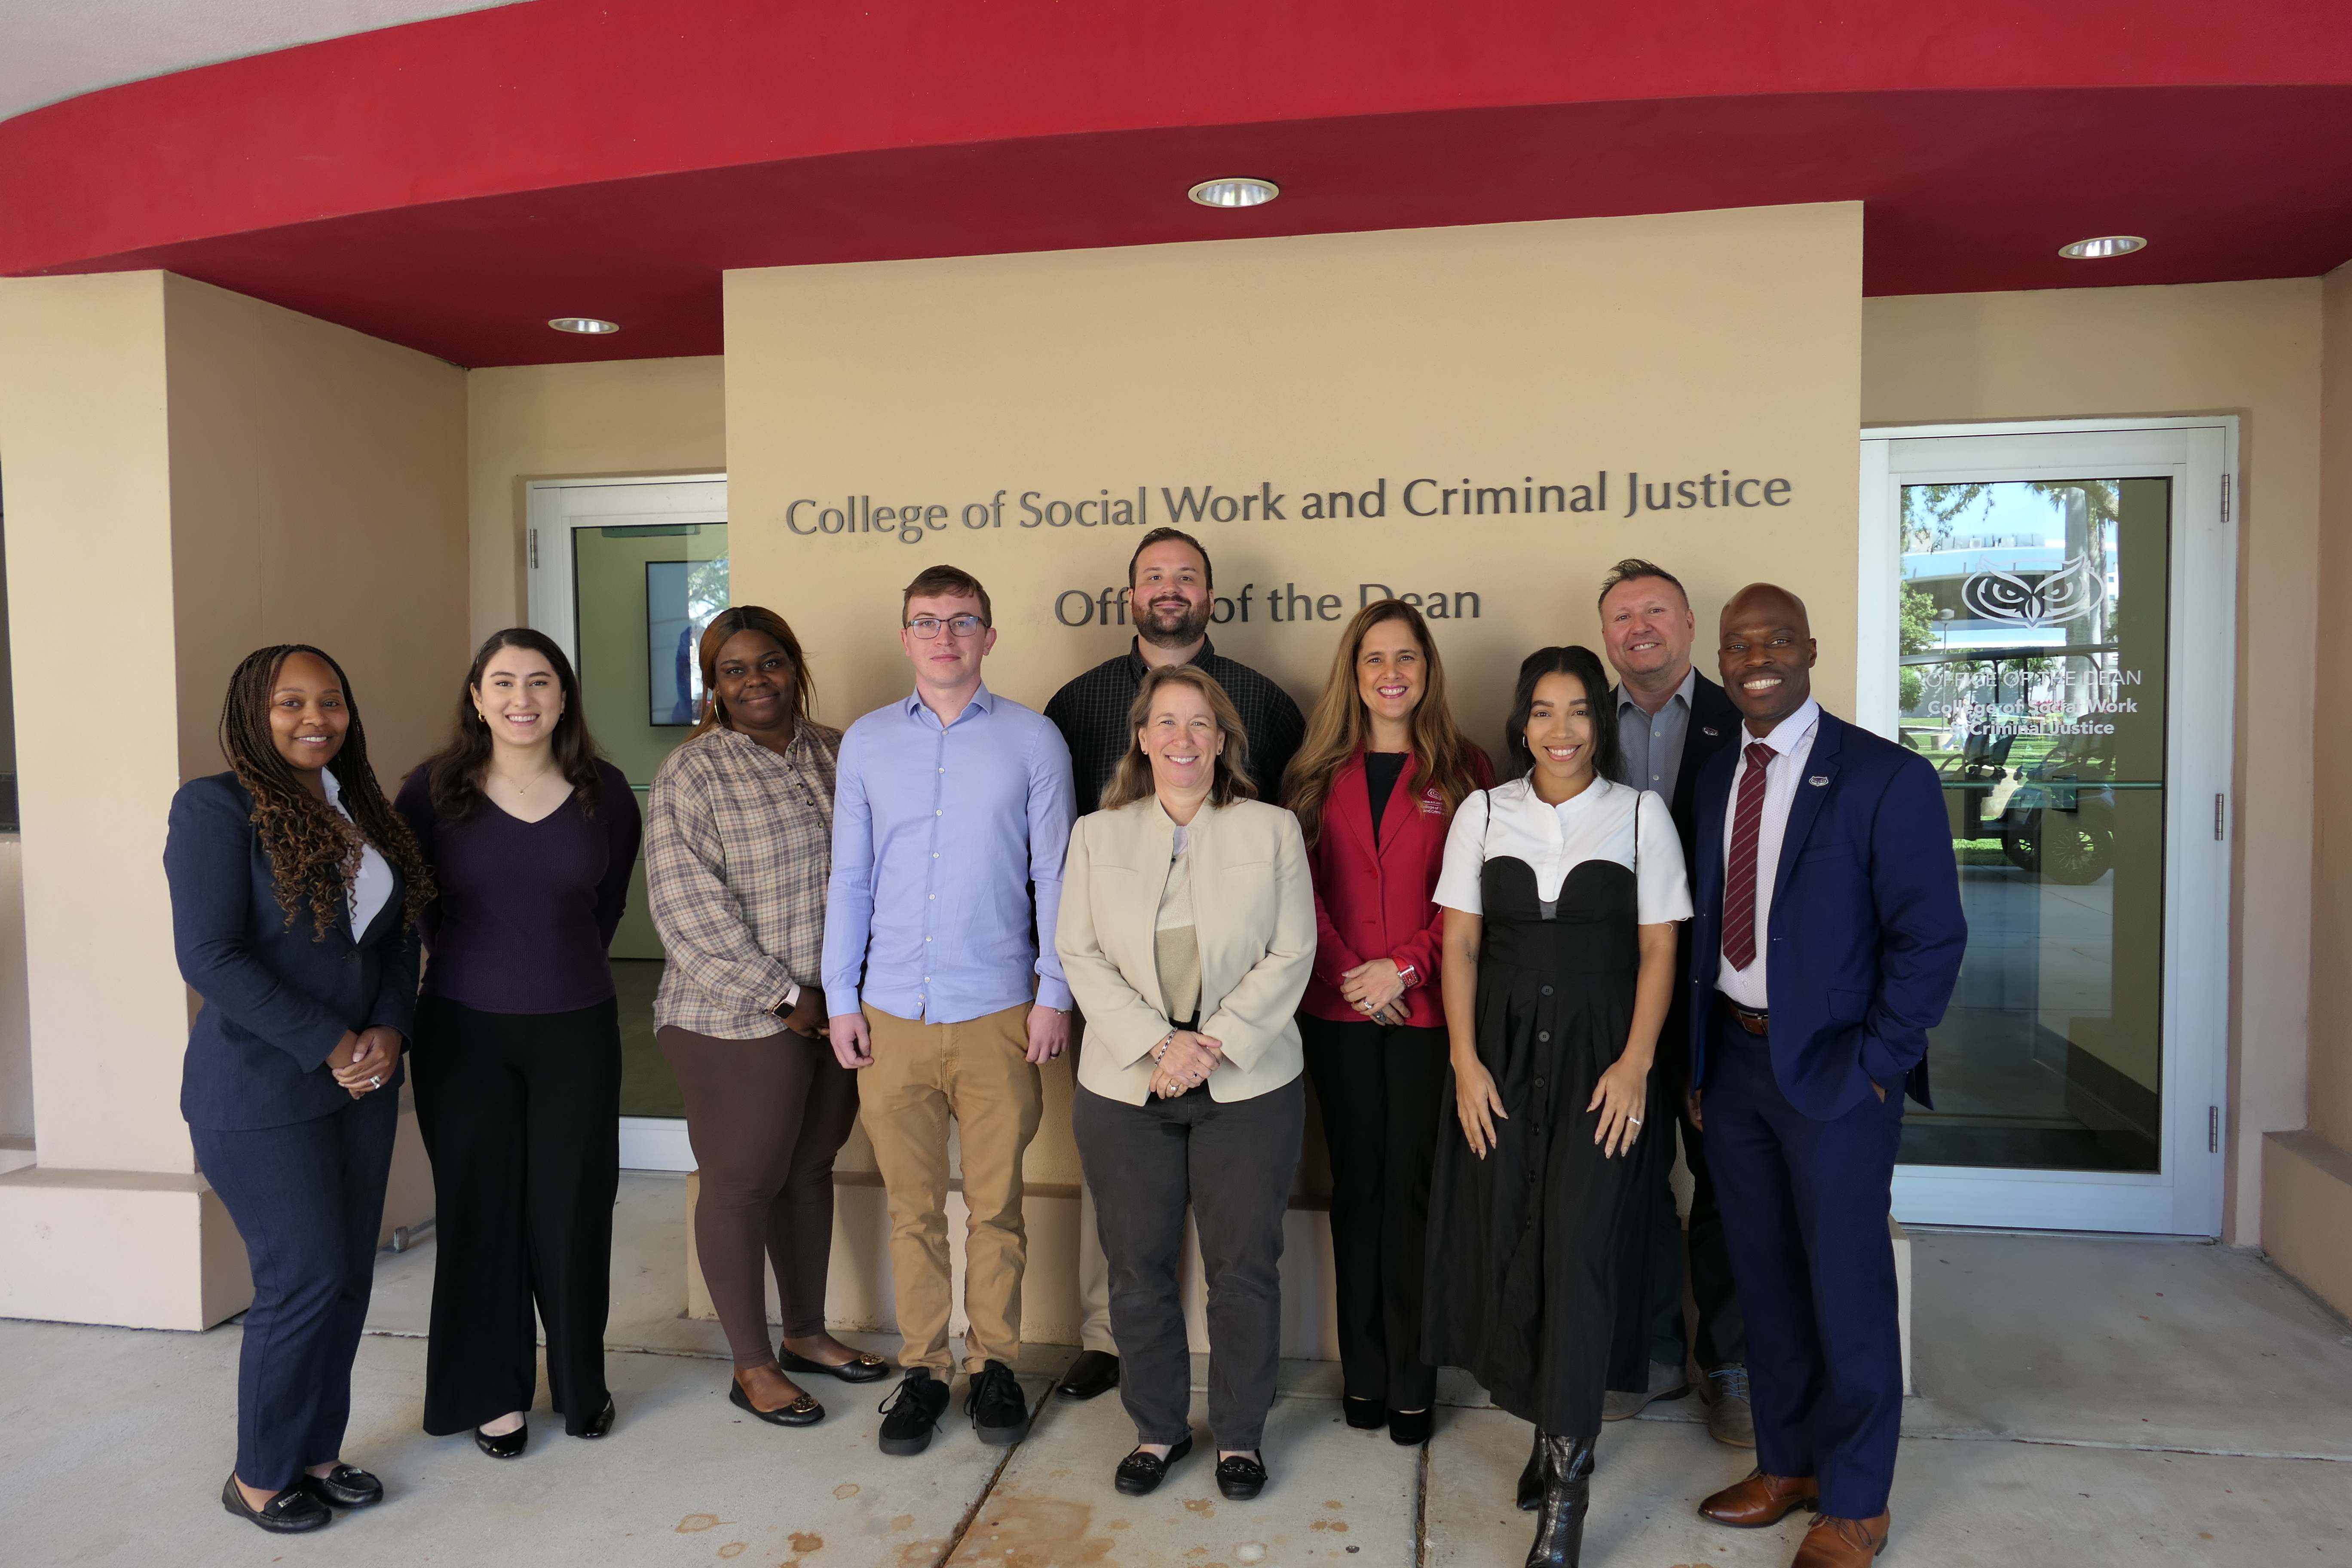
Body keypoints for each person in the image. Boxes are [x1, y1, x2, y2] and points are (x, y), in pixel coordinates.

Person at [1687, 586, 1965, 1568]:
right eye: (1738, 645)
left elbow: (1931, 941)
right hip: (1735, 1065)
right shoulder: (1719, 774)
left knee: (1845, 1288)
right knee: (1763, 1282)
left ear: (1809, 648)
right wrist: (1698, 1065)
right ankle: (1790, 1463)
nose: (1756, 657)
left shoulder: (1885, 777)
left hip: (1838, 1077)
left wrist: (1877, 1069)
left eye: (1775, 640)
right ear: (1721, 663)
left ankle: (1857, 1503)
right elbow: (1699, 938)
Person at [1422, 646, 1690, 1568]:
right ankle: (1547, 1432)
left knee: (1579, 1251)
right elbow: (1459, 946)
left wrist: (1636, 1065)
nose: (1562, 730)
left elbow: (1660, 951)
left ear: (1600, 723)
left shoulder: (1641, 815)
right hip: (1497, 1059)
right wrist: (1462, 1062)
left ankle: (1568, 1485)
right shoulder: (1483, 811)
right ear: (1521, 722)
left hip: (1600, 1066)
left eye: (1580, 711)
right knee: (1513, 1239)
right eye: (1543, 711)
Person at [167, 645, 432, 1533]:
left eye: (330, 702)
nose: (315, 718)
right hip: (259, 1091)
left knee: (347, 1276)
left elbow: (395, 939)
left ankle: (318, 1455)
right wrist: (332, 1043)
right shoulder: (215, 808)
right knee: (302, 1277)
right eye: (291, 702)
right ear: (254, 711)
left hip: (360, 1082)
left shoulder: (362, 809)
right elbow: (209, 956)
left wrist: (391, 1030)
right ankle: (258, 1477)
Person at [1043, 525, 1308, 1403]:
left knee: (1241, 1264)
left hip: (1242, 1053)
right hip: (1128, 1037)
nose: (1183, 738)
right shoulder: (1076, 709)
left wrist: (1211, 1043)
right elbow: (1073, 933)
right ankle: (1136, 1393)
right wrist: (1157, 1043)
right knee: (1132, 1255)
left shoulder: (1265, 711)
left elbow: (1291, 939)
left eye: (1186, 577)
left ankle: (1239, 1430)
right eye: (1154, 577)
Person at [823, 564, 1075, 1458]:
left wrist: (1055, 991)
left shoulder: (1034, 741)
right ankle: (926, 1371)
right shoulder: (865, 745)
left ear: (989, 637)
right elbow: (850, 877)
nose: (944, 637)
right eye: (927, 623)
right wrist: (840, 996)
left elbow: (1056, 876)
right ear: (906, 638)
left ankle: (996, 1365)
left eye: (962, 621)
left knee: (998, 1206)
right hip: (889, 1011)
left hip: (1000, 1010)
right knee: (912, 1209)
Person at [394, 628, 643, 1458]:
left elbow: (603, 908)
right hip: (463, 1030)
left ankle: (580, 1387)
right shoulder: (429, 794)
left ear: (564, 696)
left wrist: (551, 969)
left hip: (577, 1028)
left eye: (539, 682)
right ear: (476, 696)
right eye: (502, 683)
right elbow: (420, 913)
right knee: (481, 1213)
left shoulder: (604, 791)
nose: (521, 699)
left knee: (574, 1211)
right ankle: (492, 1393)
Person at [645, 606, 882, 1430]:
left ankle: (808, 1334)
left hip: (837, 1011)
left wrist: (842, 997)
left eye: (771, 663)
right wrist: (785, 998)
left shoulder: (842, 751)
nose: (756, 681)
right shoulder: (693, 774)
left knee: (811, 1169)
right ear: (714, 686)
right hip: (733, 1016)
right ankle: (751, 1363)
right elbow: (686, 911)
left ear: (795, 667)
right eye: (735, 670)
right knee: (744, 1185)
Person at [1282, 600, 1491, 1445]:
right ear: (1354, 672)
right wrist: (1350, 976)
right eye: (1375, 659)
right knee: (1353, 1193)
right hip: (1335, 1011)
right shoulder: (1313, 770)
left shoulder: (1465, 768)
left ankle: (1412, 1378)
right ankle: (1361, 1374)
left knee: (1413, 1196)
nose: (1392, 673)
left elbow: (1476, 901)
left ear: (1427, 669)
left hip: (1428, 1015)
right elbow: (1295, 891)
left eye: (1408, 657)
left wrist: (1403, 968)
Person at [1592, 559, 1752, 1445]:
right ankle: (1648, 1351)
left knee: (1725, 1177)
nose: (1640, 628)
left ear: (1691, 625)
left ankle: (1727, 1362)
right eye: (1622, 616)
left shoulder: (1743, 721)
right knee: (1627, 1173)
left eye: (1656, 611)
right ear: (1605, 635)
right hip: (1610, 996)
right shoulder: (1581, 723)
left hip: (1716, 995)